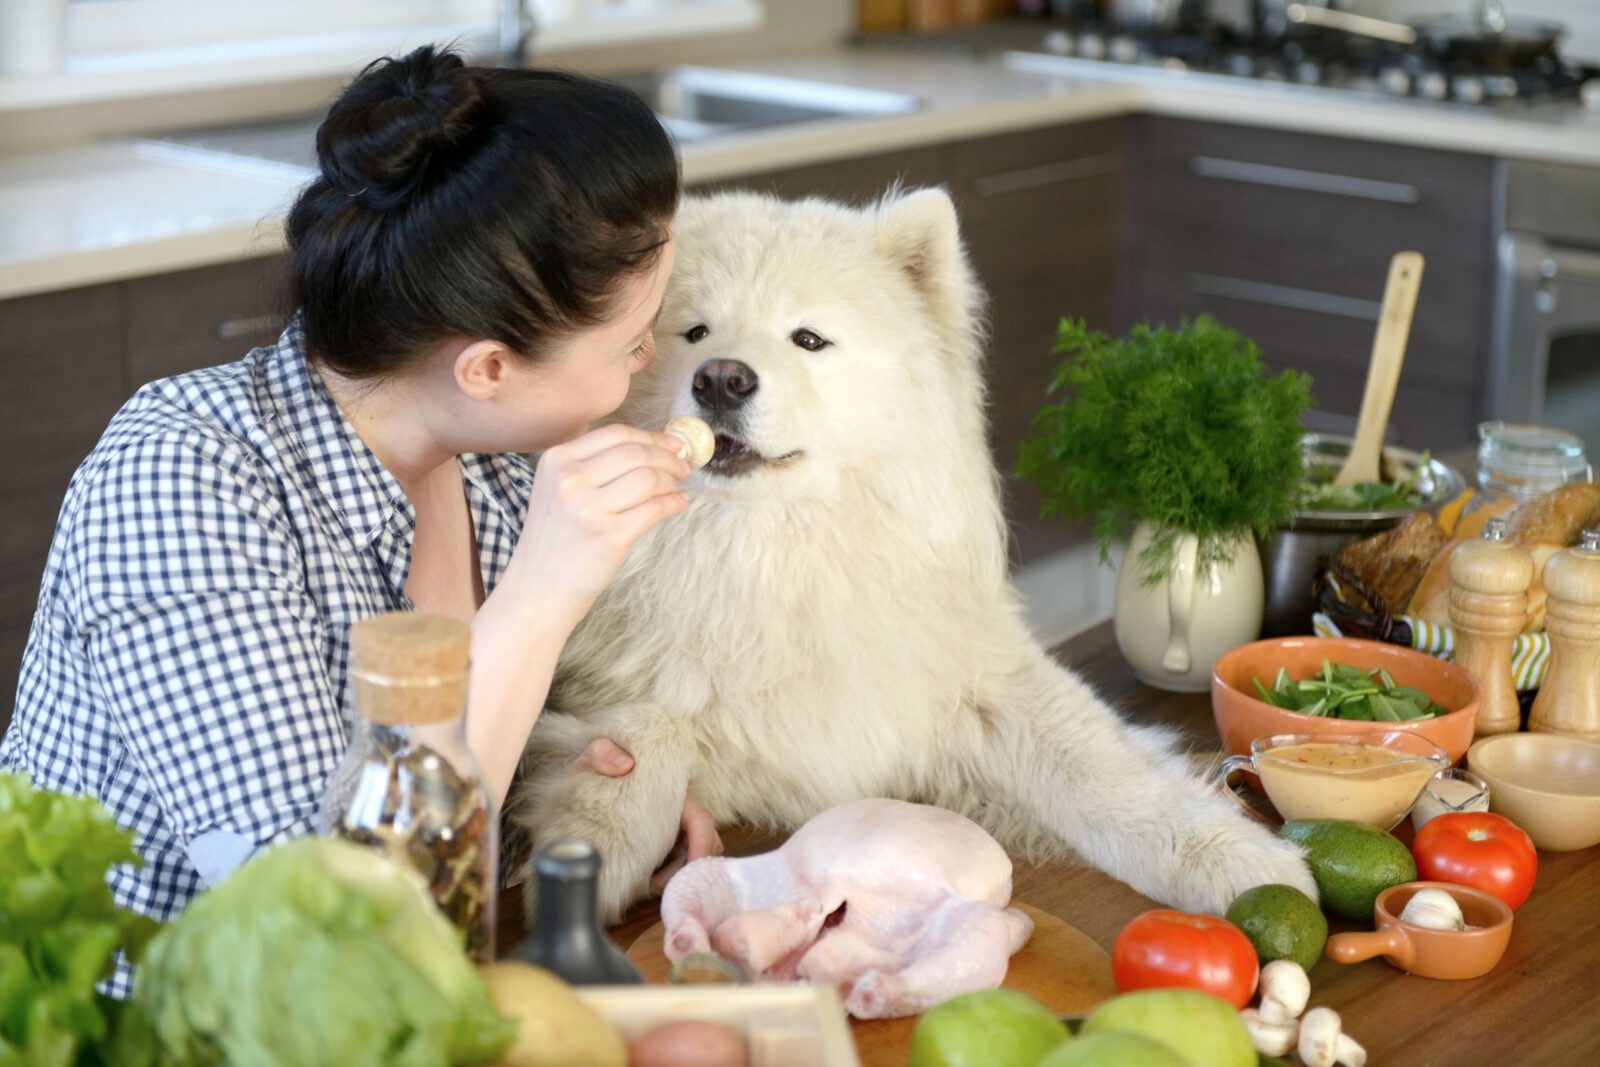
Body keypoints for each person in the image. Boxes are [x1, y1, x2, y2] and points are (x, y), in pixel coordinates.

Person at [0, 45, 721, 996]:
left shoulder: (495, 463)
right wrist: (545, 589)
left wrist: (592, 806)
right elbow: (328, 950)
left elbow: (458, 774)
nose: (643, 371)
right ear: (489, 369)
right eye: (632, 342)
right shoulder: (183, 477)